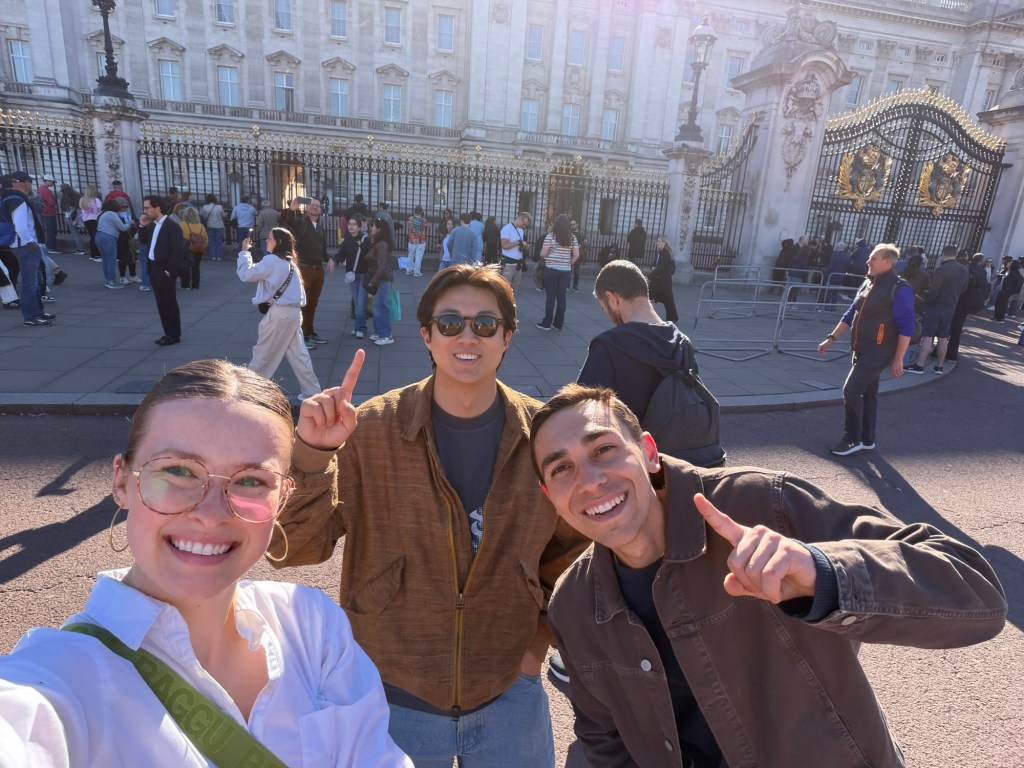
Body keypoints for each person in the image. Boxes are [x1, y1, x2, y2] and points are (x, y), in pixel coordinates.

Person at [531, 385, 1007, 768]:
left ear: (649, 452)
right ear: (550, 497)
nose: (590, 480)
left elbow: (976, 594)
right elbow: (605, 741)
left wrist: (822, 573)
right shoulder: (573, 606)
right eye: (562, 469)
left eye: (604, 449)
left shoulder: (759, 504)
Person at [0, 359, 412, 767]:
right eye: (178, 470)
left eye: (251, 481)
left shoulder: (311, 625)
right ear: (122, 481)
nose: (212, 514)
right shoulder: (54, 681)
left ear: (282, 499)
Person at [273, 265, 588, 766]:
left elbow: (573, 549)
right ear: (427, 335)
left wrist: (536, 644)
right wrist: (311, 455)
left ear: (507, 337)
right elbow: (293, 548)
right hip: (392, 696)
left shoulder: (542, 436)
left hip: (508, 693)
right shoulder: (370, 430)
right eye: (450, 323)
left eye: (485, 324)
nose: (468, 336)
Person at [819, 243, 915, 456]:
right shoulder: (867, 282)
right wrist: (831, 338)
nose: (867, 261)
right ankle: (867, 438)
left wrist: (899, 359)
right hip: (861, 348)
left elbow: (907, 326)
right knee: (868, 393)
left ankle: (852, 438)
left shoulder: (900, 288)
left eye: (873, 258)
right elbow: (851, 313)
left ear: (887, 262)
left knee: (851, 390)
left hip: (880, 350)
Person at [236, 226, 321, 400]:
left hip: (280, 316)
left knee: (263, 355)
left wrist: (244, 252)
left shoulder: (271, 260)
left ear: (279, 242)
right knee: (299, 357)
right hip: (294, 314)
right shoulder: (290, 263)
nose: (266, 241)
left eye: (270, 238)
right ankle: (312, 392)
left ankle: (248, 394)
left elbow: (246, 274)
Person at [0, 172, 54, 327]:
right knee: (31, 282)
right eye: (29, 182)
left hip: (19, 244)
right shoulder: (18, 200)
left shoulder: (8, 198)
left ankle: (37, 312)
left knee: (35, 280)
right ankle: (31, 316)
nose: (30, 185)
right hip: (25, 245)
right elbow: (21, 226)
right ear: (23, 183)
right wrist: (30, 242)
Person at [906, 244, 968, 375]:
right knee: (943, 337)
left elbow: (934, 291)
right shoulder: (964, 269)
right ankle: (939, 366)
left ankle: (920, 365)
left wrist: (926, 302)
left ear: (943, 254)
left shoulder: (941, 270)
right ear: (956, 255)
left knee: (928, 336)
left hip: (936, 306)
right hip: (951, 306)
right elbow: (963, 289)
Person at [281, 196, 330, 349]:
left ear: (321, 210)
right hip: (303, 269)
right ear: (307, 207)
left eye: (318, 205)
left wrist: (329, 259)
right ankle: (299, 337)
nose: (315, 207)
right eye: (312, 204)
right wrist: (291, 210)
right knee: (302, 303)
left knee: (313, 303)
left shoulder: (321, 229)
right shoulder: (301, 223)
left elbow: (322, 250)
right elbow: (289, 224)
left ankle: (308, 332)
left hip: (318, 270)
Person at [138, 194, 185, 346]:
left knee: (169, 302)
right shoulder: (152, 225)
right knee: (160, 303)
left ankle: (174, 334)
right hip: (153, 268)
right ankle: (167, 333)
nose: (145, 211)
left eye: (148, 208)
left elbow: (177, 251)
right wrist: (142, 226)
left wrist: (169, 270)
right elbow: (144, 241)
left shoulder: (172, 226)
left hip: (164, 269)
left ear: (157, 208)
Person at [536, 213, 578, 331]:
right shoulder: (572, 237)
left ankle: (547, 323)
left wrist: (549, 257)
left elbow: (542, 254)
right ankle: (558, 324)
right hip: (565, 271)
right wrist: (569, 263)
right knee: (561, 297)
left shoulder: (550, 236)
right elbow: (576, 255)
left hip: (551, 269)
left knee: (550, 297)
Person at [335, 214, 372, 338]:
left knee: (361, 303)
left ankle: (359, 328)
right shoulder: (346, 240)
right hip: (352, 275)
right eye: (349, 224)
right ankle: (360, 327)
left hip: (364, 275)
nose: (351, 226)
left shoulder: (365, 239)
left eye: (354, 224)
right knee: (357, 303)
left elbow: (370, 254)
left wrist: (362, 246)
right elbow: (341, 254)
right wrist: (338, 260)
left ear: (359, 227)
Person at [364, 216, 396, 346]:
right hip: (379, 279)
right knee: (377, 307)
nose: (371, 228)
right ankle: (380, 332)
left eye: (373, 226)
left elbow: (382, 267)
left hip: (381, 280)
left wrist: (372, 282)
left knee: (381, 307)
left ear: (379, 229)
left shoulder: (382, 244)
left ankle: (386, 335)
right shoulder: (379, 242)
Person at [95, 198, 131, 290]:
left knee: (105, 260)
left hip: (99, 236)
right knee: (111, 260)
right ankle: (111, 281)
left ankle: (108, 280)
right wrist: (129, 223)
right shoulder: (112, 214)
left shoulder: (103, 213)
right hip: (108, 238)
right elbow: (122, 228)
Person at [500, 211, 533, 292]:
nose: (524, 226)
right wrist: (519, 243)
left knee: (514, 291)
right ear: (521, 219)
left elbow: (517, 245)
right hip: (508, 265)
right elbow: (505, 246)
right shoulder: (507, 229)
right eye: (524, 224)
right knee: (505, 291)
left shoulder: (520, 230)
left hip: (518, 265)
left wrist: (525, 246)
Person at [648, 235, 678, 322]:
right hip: (657, 280)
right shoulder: (659, 252)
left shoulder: (666, 254)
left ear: (664, 243)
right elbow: (655, 264)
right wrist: (652, 267)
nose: (657, 243)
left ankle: (673, 318)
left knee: (668, 300)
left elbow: (661, 269)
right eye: (657, 241)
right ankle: (646, 314)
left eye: (659, 241)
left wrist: (649, 276)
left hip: (663, 281)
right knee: (648, 296)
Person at [115, 198, 140, 285]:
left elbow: (135, 226)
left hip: (130, 238)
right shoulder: (117, 216)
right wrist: (129, 225)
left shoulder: (129, 215)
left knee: (132, 257)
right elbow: (121, 228)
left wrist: (134, 226)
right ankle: (122, 276)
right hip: (121, 239)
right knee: (123, 258)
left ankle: (133, 275)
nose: (125, 208)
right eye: (123, 206)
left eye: (126, 206)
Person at [59, 184, 86, 255]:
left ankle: (80, 249)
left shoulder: (65, 197)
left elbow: (63, 208)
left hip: (69, 216)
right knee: (78, 232)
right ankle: (81, 248)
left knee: (75, 233)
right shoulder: (77, 195)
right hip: (78, 215)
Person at [79, 184, 102, 262]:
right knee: (95, 238)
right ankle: (96, 255)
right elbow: (99, 211)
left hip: (86, 220)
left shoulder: (82, 200)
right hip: (95, 219)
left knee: (92, 237)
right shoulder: (96, 200)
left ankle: (92, 254)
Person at [199, 193, 226, 261]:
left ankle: (213, 256)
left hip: (209, 225)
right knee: (219, 241)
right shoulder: (219, 207)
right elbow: (223, 215)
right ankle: (219, 256)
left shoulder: (205, 207)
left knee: (211, 241)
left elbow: (203, 216)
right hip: (219, 225)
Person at [37, 174, 60, 252]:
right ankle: (51, 247)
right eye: (52, 182)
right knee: (51, 230)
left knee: (50, 230)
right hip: (48, 212)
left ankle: (50, 246)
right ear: (48, 181)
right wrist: (54, 199)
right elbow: (52, 202)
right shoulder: (45, 190)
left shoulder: (41, 189)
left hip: (45, 211)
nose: (53, 184)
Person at [406, 205, 427, 276]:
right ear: (421, 211)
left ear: (414, 211)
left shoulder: (411, 219)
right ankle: (416, 271)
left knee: (410, 255)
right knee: (418, 256)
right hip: (421, 240)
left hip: (412, 240)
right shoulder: (423, 220)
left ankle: (408, 270)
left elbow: (409, 227)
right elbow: (424, 228)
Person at [570, 219, 587, 292]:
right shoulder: (569, 233)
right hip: (570, 254)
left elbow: (586, 243)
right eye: (571, 224)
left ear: (577, 224)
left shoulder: (581, 233)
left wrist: (580, 245)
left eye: (573, 224)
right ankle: (567, 285)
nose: (572, 225)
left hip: (578, 255)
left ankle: (575, 286)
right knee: (568, 271)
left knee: (576, 272)